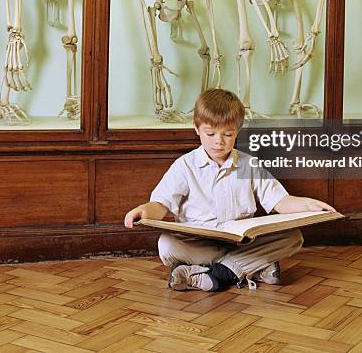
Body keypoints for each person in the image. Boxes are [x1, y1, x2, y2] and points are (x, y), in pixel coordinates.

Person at [124, 88, 335, 292]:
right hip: (200, 245)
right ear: (197, 129)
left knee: (293, 238)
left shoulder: (249, 164)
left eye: (227, 134)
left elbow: (280, 201)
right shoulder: (184, 166)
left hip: (242, 243)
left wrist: (308, 205)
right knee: (167, 245)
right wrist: (144, 210)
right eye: (210, 133)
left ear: (237, 132)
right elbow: (161, 204)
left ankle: (215, 274)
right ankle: (251, 268)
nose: (219, 141)